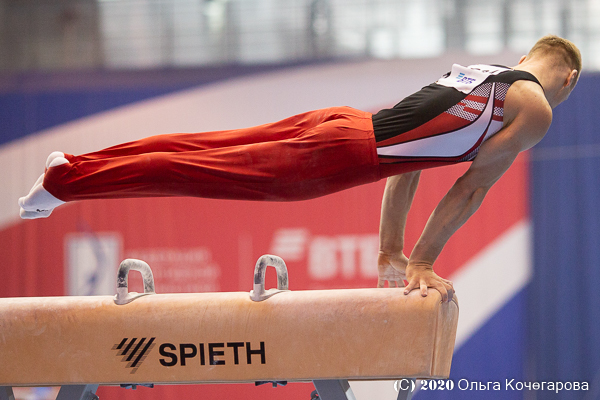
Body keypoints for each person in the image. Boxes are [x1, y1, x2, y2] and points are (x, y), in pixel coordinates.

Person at [19, 35, 581, 302]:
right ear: (569, 78)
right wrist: (424, 262)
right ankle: (66, 180)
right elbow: (469, 190)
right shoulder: (534, 108)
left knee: (198, 148)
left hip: (339, 123)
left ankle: (71, 165)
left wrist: (392, 252)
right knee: (194, 170)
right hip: (335, 157)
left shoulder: (481, 73)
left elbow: (410, 164)